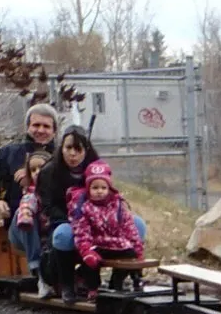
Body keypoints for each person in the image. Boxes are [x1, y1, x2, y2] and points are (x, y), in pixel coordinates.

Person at [37, 127, 146, 301]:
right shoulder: (50, 171)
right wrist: (76, 219)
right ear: (61, 148)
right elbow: (47, 206)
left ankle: (119, 279)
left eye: (78, 149)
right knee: (63, 234)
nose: (72, 154)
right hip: (66, 220)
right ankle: (67, 283)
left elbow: (108, 193)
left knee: (137, 224)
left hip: (99, 219)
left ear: (86, 150)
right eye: (68, 148)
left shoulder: (96, 167)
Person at [0, 100, 59, 277]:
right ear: (27, 127)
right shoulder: (7, 155)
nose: (41, 130)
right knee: (25, 213)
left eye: (46, 126)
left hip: (55, 225)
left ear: (54, 131)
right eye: (36, 125)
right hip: (21, 227)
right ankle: (38, 269)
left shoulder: (63, 157)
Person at [69, 161, 145, 301]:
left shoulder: (118, 205)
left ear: (109, 188)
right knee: (91, 261)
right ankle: (92, 287)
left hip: (115, 242)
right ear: (88, 189)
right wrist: (86, 250)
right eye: (95, 187)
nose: (99, 191)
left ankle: (116, 282)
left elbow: (129, 227)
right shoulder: (85, 208)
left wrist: (137, 247)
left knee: (131, 254)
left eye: (103, 187)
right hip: (96, 244)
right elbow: (81, 232)